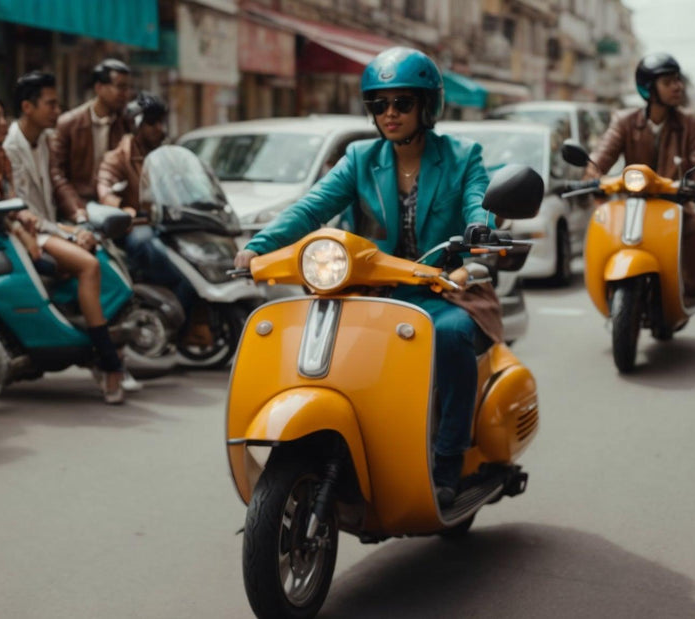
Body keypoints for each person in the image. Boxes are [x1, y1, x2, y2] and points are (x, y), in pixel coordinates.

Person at [233, 47, 495, 507]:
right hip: (374, 287)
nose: (390, 114)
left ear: (427, 106)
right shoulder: (359, 157)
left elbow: (478, 201)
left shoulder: (461, 155)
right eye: (379, 105)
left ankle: (447, 458)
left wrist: (482, 232)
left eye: (402, 103)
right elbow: (311, 207)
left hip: (445, 287)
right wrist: (256, 247)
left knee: (451, 337)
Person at [0, 92, 126, 404]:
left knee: (87, 256)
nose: (3, 123)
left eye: (4, 115)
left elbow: (16, 206)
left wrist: (56, 228)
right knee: (88, 266)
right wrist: (21, 229)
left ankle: (85, 344)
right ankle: (107, 359)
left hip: (15, 233)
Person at [584, 52, 695, 305]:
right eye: (668, 82)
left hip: (674, 203)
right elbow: (601, 157)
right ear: (649, 89)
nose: (677, 86)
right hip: (632, 202)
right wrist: (593, 176)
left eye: (678, 80)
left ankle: (691, 292)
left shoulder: (689, 123)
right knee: (602, 226)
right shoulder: (624, 121)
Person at [96, 93, 210, 347]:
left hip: (169, 223)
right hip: (136, 227)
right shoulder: (117, 157)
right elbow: (104, 189)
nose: (159, 129)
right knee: (158, 256)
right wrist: (124, 209)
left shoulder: (166, 155)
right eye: (152, 123)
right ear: (136, 125)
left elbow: (188, 184)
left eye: (161, 122)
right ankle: (173, 317)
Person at [51, 58, 132, 225]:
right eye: (120, 87)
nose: (125, 94)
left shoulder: (125, 123)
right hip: (80, 204)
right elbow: (57, 174)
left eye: (127, 87)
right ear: (99, 88)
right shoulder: (69, 123)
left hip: (115, 204)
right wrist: (75, 209)